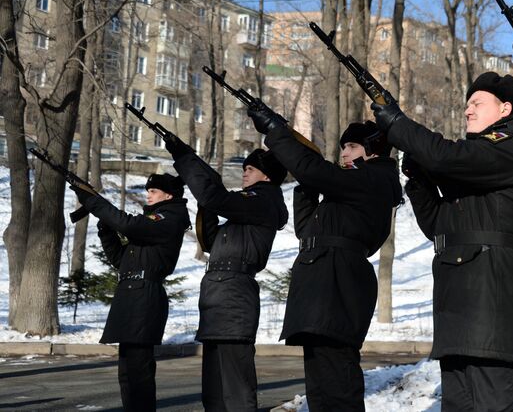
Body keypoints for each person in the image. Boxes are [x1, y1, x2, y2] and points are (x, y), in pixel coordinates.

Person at [370, 72, 513, 411]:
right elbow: (439, 227)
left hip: (495, 303)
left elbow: (447, 157)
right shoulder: (480, 167)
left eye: (477, 103)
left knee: (495, 401)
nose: (467, 110)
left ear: (505, 109)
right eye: (467, 104)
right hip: (460, 305)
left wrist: (398, 123)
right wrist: (418, 178)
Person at [247, 106, 402, 411]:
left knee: (338, 379)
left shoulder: (374, 176)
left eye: (352, 146)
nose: (344, 153)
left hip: (339, 280)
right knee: (320, 384)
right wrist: (308, 184)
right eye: (343, 146)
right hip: (322, 277)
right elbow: (306, 230)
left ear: (372, 151)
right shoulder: (347, 189)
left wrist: (277, 133)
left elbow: (314, 170)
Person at [164, 137, 289, 411]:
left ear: (267, 176)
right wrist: (205, 198)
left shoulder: (263, 199)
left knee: (236, 388)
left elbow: (216, 198)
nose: (245, 172)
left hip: (234, 297)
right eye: (244, 168)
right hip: (218, 297)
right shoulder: (243, 213)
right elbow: (209, 239)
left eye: (251, 169)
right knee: (214, 390)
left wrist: (185, 158)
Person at [70, 173, 190, 411]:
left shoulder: (168, 218)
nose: (148, 195)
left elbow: (129, 225)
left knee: (138, 371)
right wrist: (106, 227)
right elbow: (120, 258)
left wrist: (96, 203)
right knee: (127, 371)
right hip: (131, 294)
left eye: (154, 191)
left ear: (168, 195)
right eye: (149, 191)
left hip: (144, 295)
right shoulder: (152, 223)